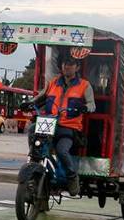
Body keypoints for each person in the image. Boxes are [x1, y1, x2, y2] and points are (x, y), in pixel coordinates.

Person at [33, 51, 96, 196]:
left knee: (62, 150)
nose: (67, 67)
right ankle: (37, 169)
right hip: (49, 124)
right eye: (64, 64)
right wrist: (28, 103)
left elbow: (92, 105)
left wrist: (85, 107)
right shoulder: (53, 82)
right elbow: (39, 97)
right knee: (32, 132)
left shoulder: (84, 85)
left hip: (69, 128)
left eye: (70, 64)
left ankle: (72, 177)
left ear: (77, 67)